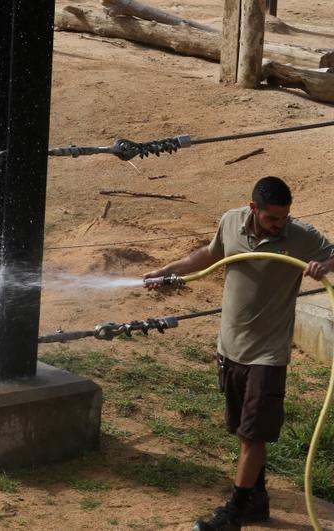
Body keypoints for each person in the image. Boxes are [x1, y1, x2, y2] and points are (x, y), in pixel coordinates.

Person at [143, 176, 334, 531]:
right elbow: (211, 255)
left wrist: (325, 265)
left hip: (268, 355)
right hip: (230, 347)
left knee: (252, 436)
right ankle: (257, 500)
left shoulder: (299, 235)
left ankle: (233, 514)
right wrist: (168, 270)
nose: (279, 224)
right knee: (242, 430)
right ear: (253, 209)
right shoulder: (231, 221)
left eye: (284, 217)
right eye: (272, 218)